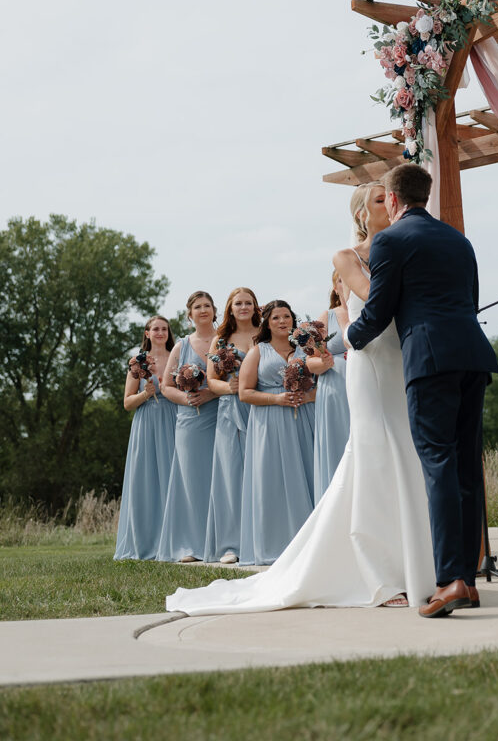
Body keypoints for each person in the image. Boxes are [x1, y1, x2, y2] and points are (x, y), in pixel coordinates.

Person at [165, 183, 435, 615]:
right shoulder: (349, 258)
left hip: (403, 359)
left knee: (408, 453)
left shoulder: (408, 247)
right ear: (363, 214)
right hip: (368, 362)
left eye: (392, 197)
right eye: (381, 200)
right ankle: (376, 569)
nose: (392, 204)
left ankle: (418, 559)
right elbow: (376, 301)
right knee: (373, 453)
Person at [347, 163, 498, 618]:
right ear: (426, 196)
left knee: (438, 465)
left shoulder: (392, 240)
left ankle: (449, 579)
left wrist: (347, 343)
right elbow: (470, 301)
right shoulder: (459, 240)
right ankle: (467, 582)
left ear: (392, 199)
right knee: (467, 470)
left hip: (430, 362)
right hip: (473, 355)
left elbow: (378, 311)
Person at [237, 299, 316, 566]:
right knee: (271, 480)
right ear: (267, 323)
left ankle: (308, 544)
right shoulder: (258, 351)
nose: (282, 322)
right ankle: (273, 544)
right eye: (276, 318)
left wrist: (309, 397)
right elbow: (244, 392)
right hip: (269, 422)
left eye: (286, 317)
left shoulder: (306, 349)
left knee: (305, 475)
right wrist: (276, 399)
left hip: (303, 419)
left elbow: (322, 384)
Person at [156, 291, 219, 563]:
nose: (202, 310)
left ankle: (224, 541)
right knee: (192, 479)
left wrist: (211, 394)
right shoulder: (181, 346)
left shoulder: (224, 340)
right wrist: (187, 398)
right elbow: (166, 386)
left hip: (222, 413)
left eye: (207, 306)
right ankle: (191, 545)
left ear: (214, 311)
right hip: (190, 419)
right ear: (189, 314)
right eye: (197, 307)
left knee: (223, 477)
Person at [203, 287, 260, 565]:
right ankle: (231, 544)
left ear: (255, 306)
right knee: (230, 475)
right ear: (230, 308)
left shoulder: (265, 334)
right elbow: (211, 381)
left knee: (261, 472)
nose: (244, 307)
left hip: (262, 409)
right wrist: (229, 387)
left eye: (248, 302)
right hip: (229, 411)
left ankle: (262, 536)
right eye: (238, 303)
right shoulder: (220, 340)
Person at [114, 316, 177, 560]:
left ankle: (174, 538)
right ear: (147, 333)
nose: (160, 332)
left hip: (174, 419)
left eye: (164, 328)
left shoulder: (177, 356)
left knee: (173, 477)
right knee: (147, 478)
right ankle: (146, 542)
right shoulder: (138, 361)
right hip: (147, 422)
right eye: (155, 329)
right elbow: (127, 403)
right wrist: (146, 394)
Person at [307, 272, 350, 504]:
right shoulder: (327, 316)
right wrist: (322, 363)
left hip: (367, 387)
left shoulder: (371, 313)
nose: (348, 284)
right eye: (342, 280)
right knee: (338, 446)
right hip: (334, 389)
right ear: (335, 287)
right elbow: (310, 361)